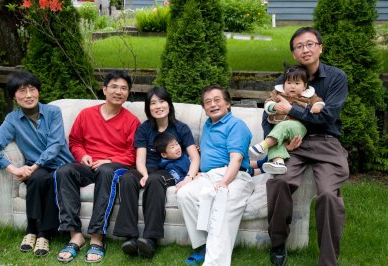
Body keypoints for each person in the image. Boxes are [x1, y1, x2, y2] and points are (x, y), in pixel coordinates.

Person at [265, 27, 350, 266]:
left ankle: (328, 259)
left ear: (320, 48)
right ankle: (278, 243)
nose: (306, 49)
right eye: (299, 46)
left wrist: (291, 110)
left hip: (326, 142)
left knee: (328, 195)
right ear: (294, 54)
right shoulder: (285, 81)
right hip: (294, 146)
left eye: (310, 44)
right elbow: (268, 116)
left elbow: (327, 118)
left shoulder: (336, 78)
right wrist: (278, 141)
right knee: (279, 181)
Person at [55, 70, 141, 263]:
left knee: (105, 171)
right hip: (88, 164)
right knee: (64, 171)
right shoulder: (86, 115)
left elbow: (133, 153)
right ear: (104, 90)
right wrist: (82, 154)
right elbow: (75, 141)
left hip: (115, 166)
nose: (118, 92)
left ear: (128, 93)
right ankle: (75, 235)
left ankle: (97, 238)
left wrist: (109, 159)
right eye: (114, 87)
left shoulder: (131, 121)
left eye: (124, 88)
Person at [0, 70, 74, 256]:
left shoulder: (53, 112)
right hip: (38, 170)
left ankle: (39, 232)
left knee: (46, 178)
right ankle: (35, 231)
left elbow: (56, 144)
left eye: (32, 89)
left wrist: (34, 165)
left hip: (63, 165)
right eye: (22, 91)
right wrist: (13, 169)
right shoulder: (12, 119)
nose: (28, 95)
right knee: (37, 179)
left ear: (38, 92)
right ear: (14, 96)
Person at [113, 87, 200, 258]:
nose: (158, 106)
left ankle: (150, 239)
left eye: (161, 101)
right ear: (148, 108)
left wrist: (190, 177)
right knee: (128, 178)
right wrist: (143, 174)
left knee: (155, 180)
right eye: (153, 103)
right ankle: (130, 237)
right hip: (148, 168)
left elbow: (195, 157)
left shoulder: (181, 128)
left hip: (170, 170)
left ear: (169, 104)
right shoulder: (144, 129)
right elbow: (140, 159)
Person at [177, 85, 254, 266]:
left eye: (217, 100)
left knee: (222, 204)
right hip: (208, 176)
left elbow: (236, 159)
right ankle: (206, 244)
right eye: (207, 102)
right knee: (184, 194)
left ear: (227, 103)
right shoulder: (208, 125)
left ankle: (214, 262)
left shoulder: (236, 125)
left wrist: (224, 181)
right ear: (204, 108)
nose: (213, 104)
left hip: (235, 176)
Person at [250, 65, 325, 175]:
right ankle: (278, 163)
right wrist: (273, 106)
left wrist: (317, 107)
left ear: (305, 86)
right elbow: (268, 102)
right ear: (284, 84)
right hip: (279, 129)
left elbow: (319, 102)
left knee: (283, 127)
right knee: (277, 141)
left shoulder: (308, 95)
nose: (292, 86)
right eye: (289, 83)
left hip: (297, 127)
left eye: (297, 83)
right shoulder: (278, 93)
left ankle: (263, 145)